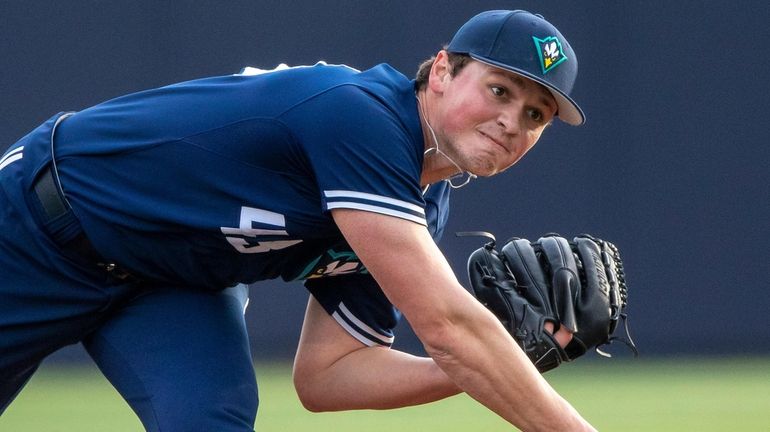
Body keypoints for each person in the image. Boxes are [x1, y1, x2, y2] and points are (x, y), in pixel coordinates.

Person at [0, 9, 594, 432]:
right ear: (440, 70)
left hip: (165, 281)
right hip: (33, 227)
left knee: (211, 422)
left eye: (536, 114)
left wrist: (508, 361)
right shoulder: (362, 119)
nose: (513, 120)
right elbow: (450, 328)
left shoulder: (419, 204)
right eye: (498, 89)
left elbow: (330, 377)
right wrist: (494, 363)